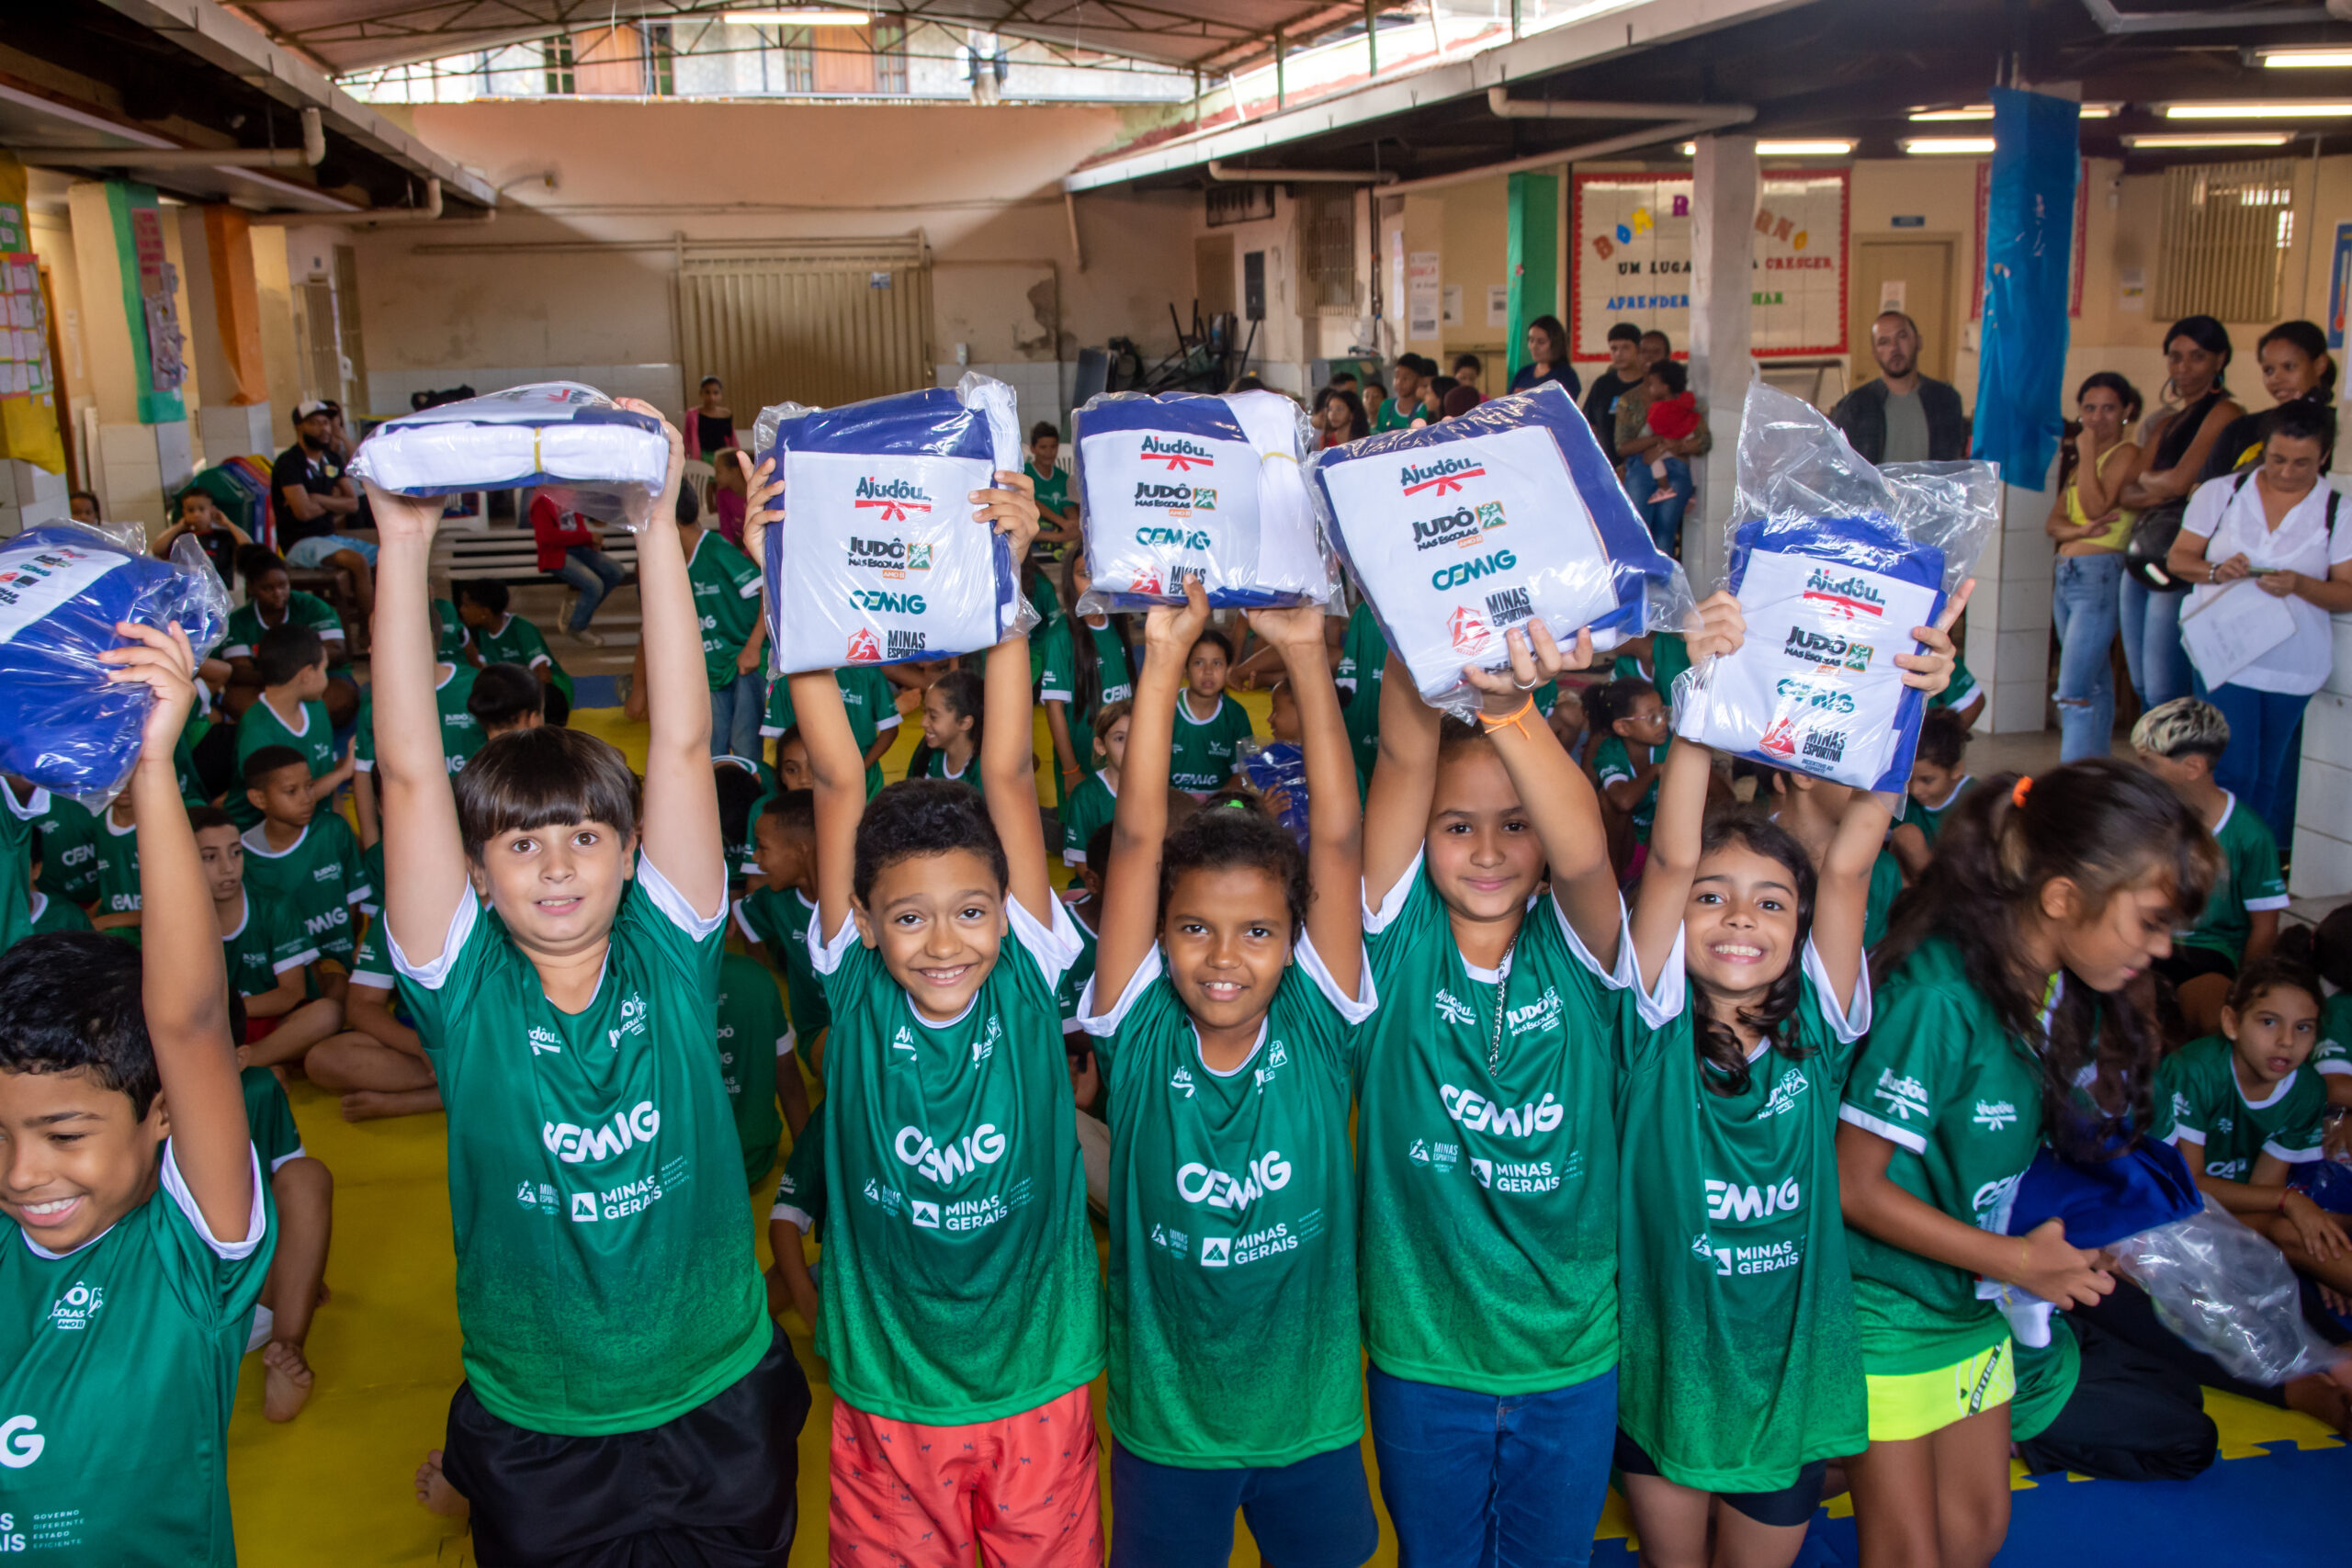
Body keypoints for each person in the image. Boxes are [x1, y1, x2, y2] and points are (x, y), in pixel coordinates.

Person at [366, 405, 807, 1564]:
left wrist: (657, 527)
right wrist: (405, 544)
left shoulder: (670, 944)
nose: (557, 865)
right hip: (540, 1416)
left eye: (584, 838)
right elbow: (409, 777)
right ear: (477, 873)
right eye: (521, 845)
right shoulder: (463, 986)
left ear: (629, 852)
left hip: (718, 1385)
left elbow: (681, 744)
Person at [771, 458, 1112, 1568]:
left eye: (970, 911)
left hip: (1038, 1383)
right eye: (909, 918)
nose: (945, 941)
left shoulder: (1026, 967)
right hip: (890, 1394)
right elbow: (837, 779)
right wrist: (792, 566)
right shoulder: (855, 980)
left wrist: (1007, 583)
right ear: (863, 925)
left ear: (1007, 910)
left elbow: (1007, 768)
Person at [1614, 583, 1959, 1568]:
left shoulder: (1820, 1020)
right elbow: (1671, 855)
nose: (1738, 917)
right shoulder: (1649, 1026)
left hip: (1789, 1376)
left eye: (1770, 903)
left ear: (1801, 929)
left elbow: (1847, 865)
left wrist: (1909, 698)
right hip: (1668, 1366)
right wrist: (1703, 691)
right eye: (1713, 898)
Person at [1836, 761, 2217, 1568]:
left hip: (1972, 1302)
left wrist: (2067, 1238)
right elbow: (1852, 1185)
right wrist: (2015, 1259)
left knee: (1973, 1535)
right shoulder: (1940, 996)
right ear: (2063, 896)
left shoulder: (2046, 985)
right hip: (1885, 1310)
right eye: (2150, 922)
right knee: (1908, 1553)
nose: (2162, 949)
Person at [1073, 577, 1375, 1568]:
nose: (1223, 958)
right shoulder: (1140, 1030)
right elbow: (1137, 837)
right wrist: (1162, 659)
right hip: (1169, 1429)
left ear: (1295, 942)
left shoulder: (1319, 1024)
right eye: (1194, 928)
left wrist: (1305, 654)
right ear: (1158, 936)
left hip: (1312, 1420)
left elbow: (1338, 836)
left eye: (1257, 932)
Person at [1351, 591, 1652, 1562]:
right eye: (1457, 826)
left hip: (1570, 1356)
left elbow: (1586, 852)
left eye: (1514, 824)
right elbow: (1403, 757)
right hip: (1423, 1357)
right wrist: (1417, 589)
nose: (1486, 851)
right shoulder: (1395, 946)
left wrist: (1510, 709)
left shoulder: (1582, 951)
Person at [0, 616, 271, 1563]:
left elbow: (189, 1022)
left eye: (65, 1134)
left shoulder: (184, 1260)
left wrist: (153, 763)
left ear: (161, 1114)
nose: (22, 1173)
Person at [2165, 403, 2352, 844]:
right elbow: (2179, 559)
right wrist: (2216, 571)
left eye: (2302, 463)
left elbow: (2346, 592)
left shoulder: (2338, 510)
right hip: (2224, 654)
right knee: (2230, 770)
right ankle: (2214, 864)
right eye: (2277, 459)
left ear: (2324, 457)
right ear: (2262, 450)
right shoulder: (2221, 493)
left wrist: (2301, 585)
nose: (2286, 472)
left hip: (2293, 663)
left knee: (2268, 776)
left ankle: (2248, 869)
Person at [2132, 697, 2289, 1035]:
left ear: (2192, 767)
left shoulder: (2250, 835)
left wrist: (2244, 992)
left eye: (2149, 763)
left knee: (2215, 1021)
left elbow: (2265, 928)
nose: (2142, 773)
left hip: (2209, 955)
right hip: (2143, 943)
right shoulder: (2147, 818)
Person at [2119, 316, 2245, 712]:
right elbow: (2126, 491)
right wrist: (2160, 485)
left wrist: (2155, 484)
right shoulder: (2167, 423)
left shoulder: (2225, 412)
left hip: (2179, 558)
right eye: (2175, 357)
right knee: (2141, 683)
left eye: (2197, 356)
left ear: (2220, 360)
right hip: (2142, 549)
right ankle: (2153, 751)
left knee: (2163, 689)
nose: (2184, 367)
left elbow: (2177, 482)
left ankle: (2171, 753)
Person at [199, 795, 345, 1065]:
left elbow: (291, 994)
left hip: (268, 1021)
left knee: (327, 1014)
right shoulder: (180, 918)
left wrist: (226, 1009)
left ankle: (242, 1064)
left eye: (235, 852)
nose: (228, 867)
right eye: (210, 857)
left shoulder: (274, 907)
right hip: (214, 1029)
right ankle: (254, 1065)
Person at [2044, 373, 2143, 763]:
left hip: (2099, 574)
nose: (2097, 418)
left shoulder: (2125, 454)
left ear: (2126, 411)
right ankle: (2095, 773)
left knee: (2073, 689)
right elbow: (2054, 524)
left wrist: (2085, 452)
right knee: (2095, 681)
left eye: (2108, 409)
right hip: (2069, 573)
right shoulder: (2082, 466)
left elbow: (2096, 506)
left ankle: (2073, 782)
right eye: (2089, 408)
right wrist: (2082, 530)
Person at [239, 744, 370, 987]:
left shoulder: (333, 830)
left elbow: (356, 903)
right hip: (281, 975)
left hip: (339, 963)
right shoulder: (242, 856)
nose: (307, 798)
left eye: (309, 786)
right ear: (259, 798)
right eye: (291, 791)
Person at [303, 912, 443, 1123]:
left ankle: (418, 1101)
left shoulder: (496, 909)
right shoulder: (397, 907)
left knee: (495, 1052)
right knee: (322, 1059)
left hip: (481, 1035)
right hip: (419, 1031)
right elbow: (362, 1004)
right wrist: (419, 1046)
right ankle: (460, 1083)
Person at [734, 789, 831, 1076]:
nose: (756, 857)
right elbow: (742, 923)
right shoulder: (773, 901)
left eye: (763, 847)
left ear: (800, 850)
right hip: (820, 1034)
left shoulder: (863, 898)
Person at [232, 626, 353, 832]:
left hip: (315, 824)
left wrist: (347, 833)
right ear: (307, 674)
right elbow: (284, 806)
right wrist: (343, 773)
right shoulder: (257, 732)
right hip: (263, 835)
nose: (327, 678)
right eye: (324, 669)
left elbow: (328, 785)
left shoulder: (316, 708)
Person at [675, 490, 766, 761]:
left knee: (744, 743)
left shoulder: (715, 550)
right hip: (712, 666)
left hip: (742, 661)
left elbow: (769, 593)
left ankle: (748, 787)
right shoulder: (675, 562)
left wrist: (753, 647)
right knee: (711, 746)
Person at [223, 547, 361, 726]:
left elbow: (336, 650)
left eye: (283, 585)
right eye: (267, 588)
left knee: (341, 698)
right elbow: (239, 670)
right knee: (234, 698)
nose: (278, 593)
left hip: (318, 678)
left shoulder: (312, 606)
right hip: (265, 684)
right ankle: (297, 722)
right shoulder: (238, 620)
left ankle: (282, 723)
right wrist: (281, 682)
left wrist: (293, 674)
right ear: (251, 588)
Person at [269, 400, 377, 624]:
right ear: (299, 427)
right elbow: (303, 512)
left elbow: (352, 504)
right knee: (357, 562)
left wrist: (318, 499)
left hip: (330, 537)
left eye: (326, 423)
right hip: (300, 543)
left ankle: (382, 617)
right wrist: (333, 501)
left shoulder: (331, 459)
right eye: (315, 423)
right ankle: (369, 630)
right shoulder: (289, 463)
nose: (324, 429)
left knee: (385, 556)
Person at [1041, 553, 1136, 801]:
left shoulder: (1117, 625)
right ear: (1069, 580)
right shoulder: (1060, 636)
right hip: (1083, 766)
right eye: (1084, 574)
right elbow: (1054, 708)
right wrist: (1071, 770)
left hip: (1123, 763)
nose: (1093, 582)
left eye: (1099, 573)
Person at [2204, 320, 2335, 481]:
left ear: (2319, 365)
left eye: (2289, 367)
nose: (2276, 379)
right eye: (2269, 370)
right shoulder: (2242, 428)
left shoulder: (2340, 429)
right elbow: (2204, 488)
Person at [1830, 311, 1969, 465]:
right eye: (1884, 342)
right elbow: (1840, 465)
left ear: (1919, 342)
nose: (1894, 347)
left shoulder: (1946, 400)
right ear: (1874, 353)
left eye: (1902, 336)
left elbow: (1952, 464)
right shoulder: (1854, 406)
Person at [763, 666, 899, 797]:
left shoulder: (867, 672)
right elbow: (783, 742)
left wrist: (860, 769)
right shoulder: (787, 675)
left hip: (864, 780)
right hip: (810, 782)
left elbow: (890, 729)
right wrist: (803, 770)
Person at [454, 579, 572, 727]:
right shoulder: (483, 633)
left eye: (466, 605)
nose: (461, 610)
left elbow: (544, 676)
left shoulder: (521, 629)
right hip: (516, 693)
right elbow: (482, 672)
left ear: (485, 612)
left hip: (547, 691)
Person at [1887, 706, 1977, 880]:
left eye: (1927, 780)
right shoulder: (1903, 799)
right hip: (1920, 885)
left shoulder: (1975, 799)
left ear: (1956, 769)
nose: (1915, 790)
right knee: (1906, 835)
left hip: (1962, 883)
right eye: (1908, 780)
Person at [530, 491, 627, 649]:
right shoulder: (542, 501)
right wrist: (588, 538)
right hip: (555, 554)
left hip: (579, 548)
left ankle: (577, 610)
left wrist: (590, 542)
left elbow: (579, 527)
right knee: (594, 585)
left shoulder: (570, 495)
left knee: (615, 571)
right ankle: (577, 626)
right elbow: (547, 537)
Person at [1168, 628, 1255, 797]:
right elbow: (1147, 768)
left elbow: (1245, 774)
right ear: (1185, 669)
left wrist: (1216, 803)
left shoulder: (1236, 715)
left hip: (1220, 801)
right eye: (1198, 663)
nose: (1208, 671)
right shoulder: (1166, 709)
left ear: (1228, 670)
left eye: (1217, 663)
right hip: (1171, 799)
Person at [1630, 360, 1700, 556]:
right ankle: (1665, 574)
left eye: (1652, 384)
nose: (1649, 388)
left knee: (1643, 531)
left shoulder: (1659, 410)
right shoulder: (1688, 407)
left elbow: (1645, 435)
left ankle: (1664, 487)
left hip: (1660, 463)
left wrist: (1651, 443)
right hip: (1682, 470)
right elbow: (1699, 439)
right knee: (1665, 534)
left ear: (1665, 386)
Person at [1061, 699, 1130, 870]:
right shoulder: (1084, 796)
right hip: (1096, 883)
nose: (1130, 746)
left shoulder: (1157, 791)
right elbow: (1082, 865)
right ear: (1100, 746)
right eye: (1120, 738)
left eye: (1137, 736)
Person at [153, 486, 254, 591]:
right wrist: (179, 526)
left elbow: (248, 547)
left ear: (212, 510)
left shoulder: (223, 535)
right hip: (189, 592)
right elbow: (157, 550)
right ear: (184, 512)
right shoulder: (180, 537)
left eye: (202, 509)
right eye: (190, 510)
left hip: (220, 591)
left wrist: (227, 523)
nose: (196, 514)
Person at [906, 668, 984, 787]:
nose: (923, 723)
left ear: (965, 723)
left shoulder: (983, 770)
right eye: (924, 712)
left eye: (933, 716)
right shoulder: (926, 753)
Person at [1583, 321, 1645, 464]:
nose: (1619, 354)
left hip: (1641, 467)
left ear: (1638, 349)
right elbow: (1590, 426)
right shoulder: (1602, 384)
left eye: (1625, 348)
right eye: (1614, 348)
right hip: (1606, 466)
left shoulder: (1648, 385)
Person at [1027, 422, 1080, 560]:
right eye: (1043, 447)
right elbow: (1032, 502)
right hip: (1034, 536)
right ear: (1033, 449)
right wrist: (1062, 524)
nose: (1048, 452)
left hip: (1060, 535)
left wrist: (1073, 524)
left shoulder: (1063, 477)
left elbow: (1068, 507)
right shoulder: (1025, 473)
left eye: (1053, 447)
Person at [1509, 315, 1580, 400]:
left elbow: (1562, 404)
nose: (1534, 346)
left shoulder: (1566, 375)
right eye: (1531, 340)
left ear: (1555, 344)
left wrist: (1530, 396)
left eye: (1541, 342)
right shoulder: (1523, 373)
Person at [684, 374, 738, 466]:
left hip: (722, 458)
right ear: (701, 393)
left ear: (721, 394)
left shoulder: (726, 414)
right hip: (701, 457)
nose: (711, 397)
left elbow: (731, 439)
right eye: (707, 392)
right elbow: (687, 439)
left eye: (715, 393)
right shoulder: (693, 415)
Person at [1375, 355, 1428, 434]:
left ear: (1419, 380)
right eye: (1396, 376)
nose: (1399, 382)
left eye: (1406, 378)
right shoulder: (1385, 406)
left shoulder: (1423, 409)